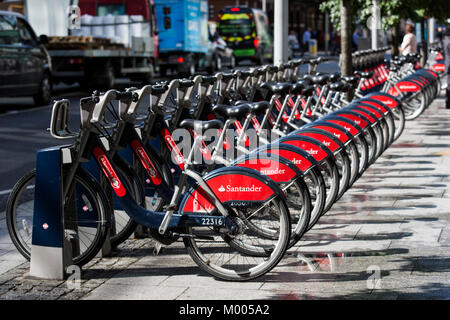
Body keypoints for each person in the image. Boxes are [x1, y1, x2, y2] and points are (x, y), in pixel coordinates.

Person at [444, 25, 450, 108]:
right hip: (449, 65)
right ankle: (448, 102)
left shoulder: (445, 40)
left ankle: (448, 102)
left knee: (448, 83)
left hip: (448, 64)